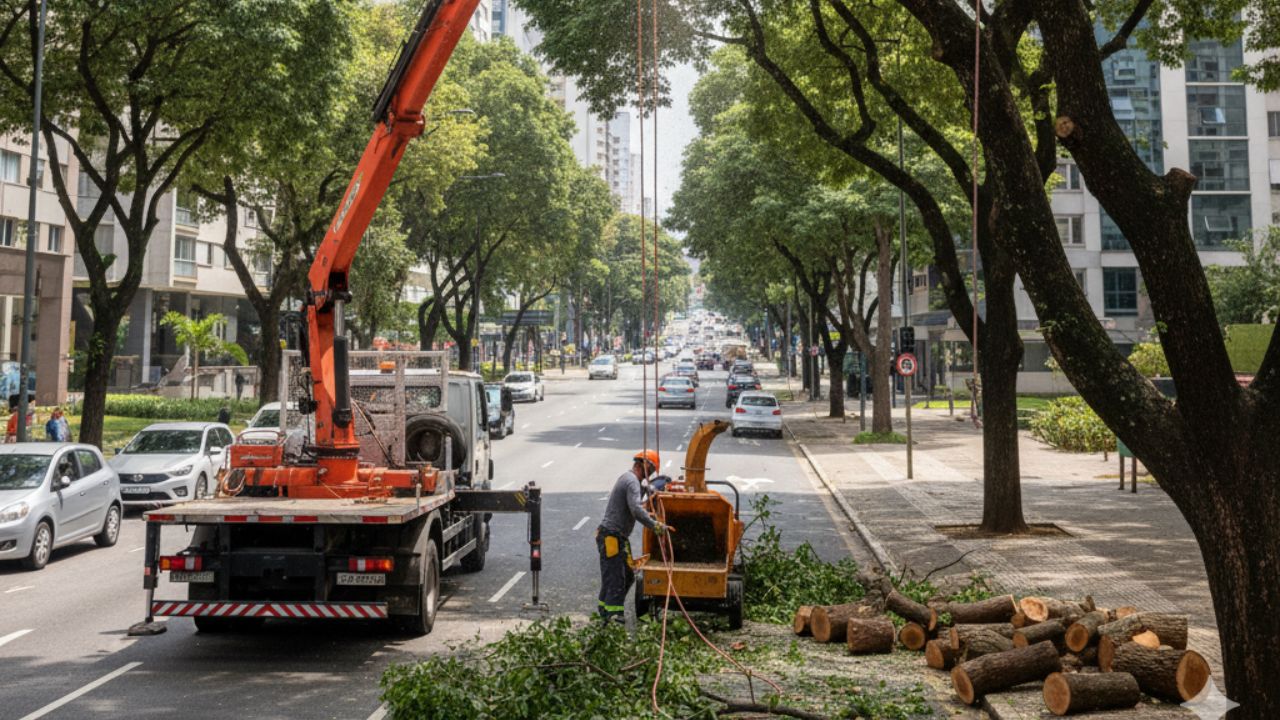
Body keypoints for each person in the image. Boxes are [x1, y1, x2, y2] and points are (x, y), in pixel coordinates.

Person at [595, 450, 670, 624]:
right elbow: (636, 509)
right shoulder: (631, 482)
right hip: (611, 536)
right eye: (650, 471)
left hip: (619, 537)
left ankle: (604, 608)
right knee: (615, 577)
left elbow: (641, 492)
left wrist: (655, 487)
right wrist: (655, 526)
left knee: (628, 574)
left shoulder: (630, 480)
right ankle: (614, 615)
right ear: (644, 466)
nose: (649, 475)